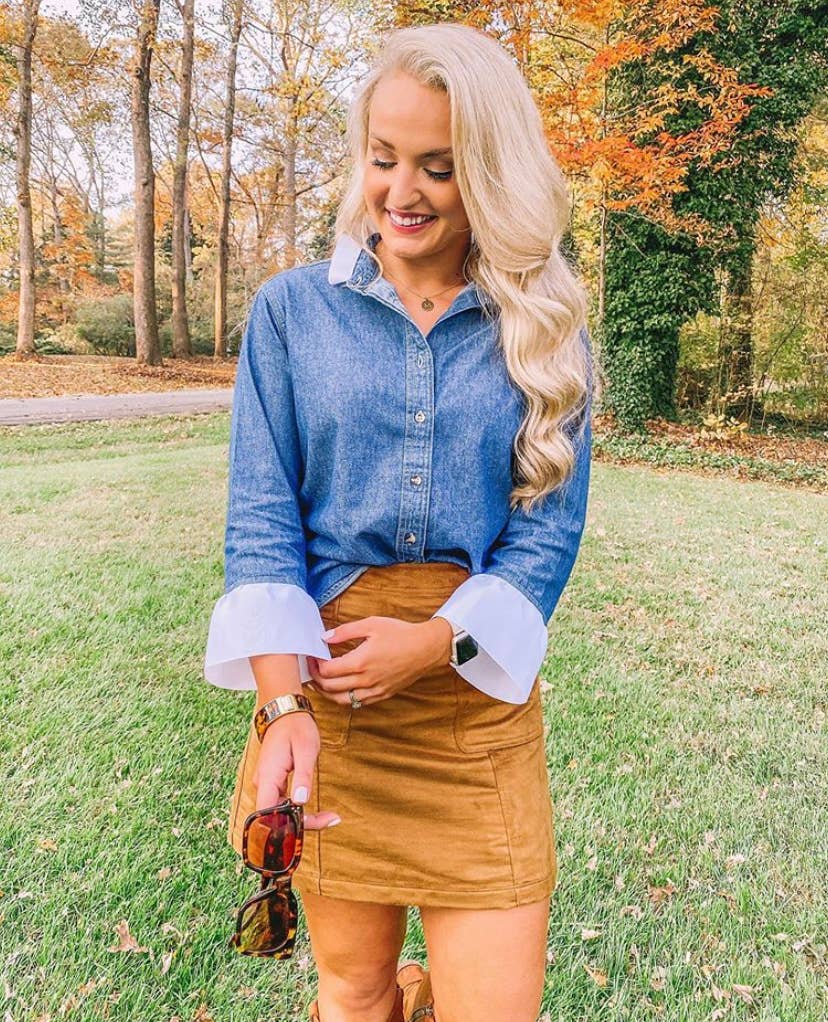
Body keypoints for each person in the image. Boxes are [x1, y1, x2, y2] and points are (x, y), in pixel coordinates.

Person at [204, 20, 596, 1022]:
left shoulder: (544, 328)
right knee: (356, 990)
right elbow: (262, 521)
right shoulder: (291, 313)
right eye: (383, 157)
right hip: (332, 707)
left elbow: (546, 534)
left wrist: (433, 642)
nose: (400, 191)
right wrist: (282, 708)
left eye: (438, 166)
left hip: (476, 711)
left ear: (491, 175)